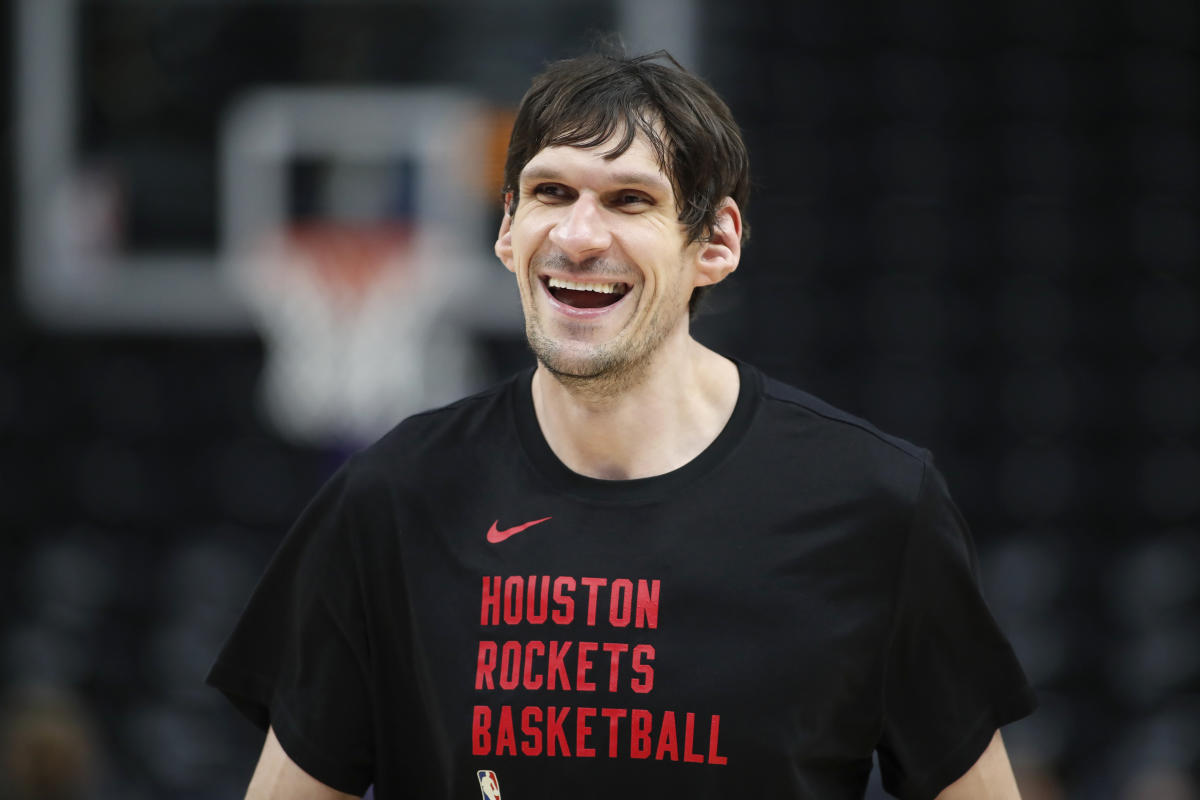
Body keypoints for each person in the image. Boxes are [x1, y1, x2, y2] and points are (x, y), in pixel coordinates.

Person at [208, 50, 1036, 799]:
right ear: (505, 230)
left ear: (716, 241)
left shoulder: (873, 504)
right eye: (550, 193)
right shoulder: (391, 496)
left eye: (630, 200)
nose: (576, 235)